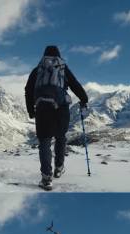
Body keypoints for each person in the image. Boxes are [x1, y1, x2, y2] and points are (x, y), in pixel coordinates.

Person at [24, 45, 89, 191]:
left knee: (44, 142)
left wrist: (31, 110)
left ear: (44, 56)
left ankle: (46, 179)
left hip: (42, 109)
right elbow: (75, 85)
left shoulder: (37, 70)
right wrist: (84, 99)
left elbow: (28, 90)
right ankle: (59, 168)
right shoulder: (63, 68)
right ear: (58, 56)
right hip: (61, 108)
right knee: (60, 138)